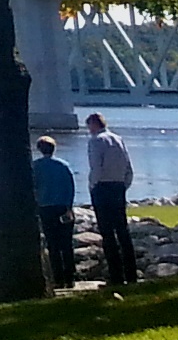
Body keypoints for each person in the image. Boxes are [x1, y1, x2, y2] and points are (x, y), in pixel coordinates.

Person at [83, 113, 139, 285]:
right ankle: (131, 273)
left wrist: (92, 186)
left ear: (93, 124)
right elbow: (129, 167)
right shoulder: (118, 139)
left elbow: (96, 167)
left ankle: (116, 275)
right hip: (118, 186)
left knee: (107, 233)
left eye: (89, 126)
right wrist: (124, 185)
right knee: (123, 231)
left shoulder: (95, 141)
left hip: (103, 187)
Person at [31, 134, 80, 287]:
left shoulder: (35, 166)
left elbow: (33, 187)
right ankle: (70, 277)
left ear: (39, 149)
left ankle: (58, 278)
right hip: (62, 207)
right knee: (66, 243)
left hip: (45, 208)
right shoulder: (64, 166)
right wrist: (69, 207)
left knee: (52, 244)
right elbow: (71, 188)